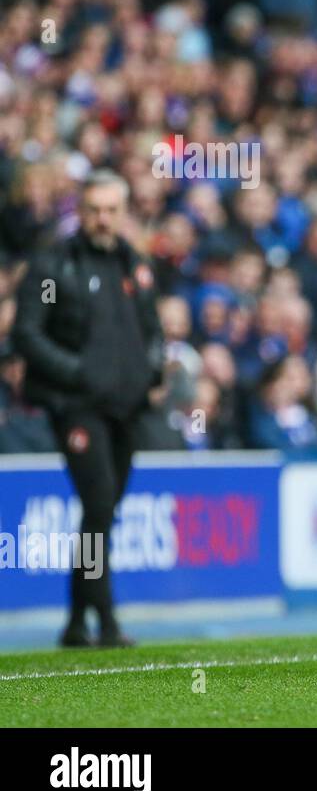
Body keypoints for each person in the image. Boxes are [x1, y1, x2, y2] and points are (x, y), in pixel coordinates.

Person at [13, 172, 164, 647]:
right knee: (99, 503)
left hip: (125, 407)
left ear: (123, 213)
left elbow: (153, 330)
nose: (103, 219)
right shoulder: (53, 264)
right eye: (95, 209)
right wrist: (80, 373)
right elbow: (27, 334)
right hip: (76, 407)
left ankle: (77, 623)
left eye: (112, 210)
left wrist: (152, 373)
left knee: (102, 511)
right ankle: (108, 622)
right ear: (80, 212)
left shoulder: (133, 265)